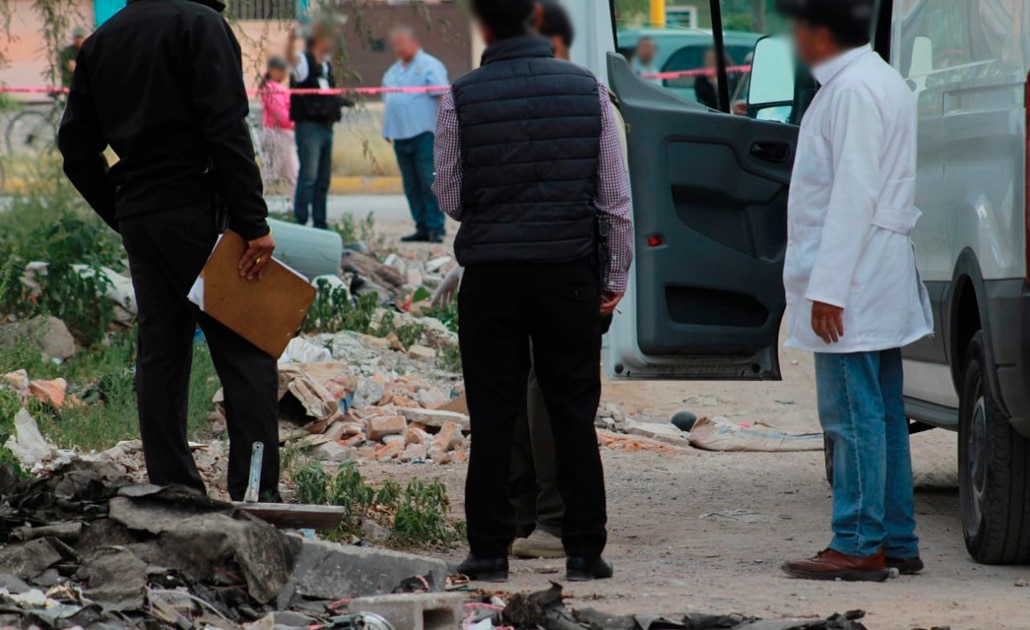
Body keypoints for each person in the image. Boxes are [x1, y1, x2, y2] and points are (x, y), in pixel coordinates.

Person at [434, 0, 633, 583]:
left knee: (493, 414)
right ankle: (584, 552)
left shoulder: (459, 97)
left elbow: (451, 197)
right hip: (568, 273)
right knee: (573, 412)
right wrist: (613, 279)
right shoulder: (589, 90)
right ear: (537, 19)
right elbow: (614, 200)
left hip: (491, 277)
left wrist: (498, 205)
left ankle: (489, 552)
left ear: (484, 26)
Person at [57, 0, 281, 501]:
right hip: (200, 211)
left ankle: (173, 488)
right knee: (247, 349)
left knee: (161, 352)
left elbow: (75, 148)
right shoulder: (200, 24)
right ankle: (255, 496)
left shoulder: (102, 40)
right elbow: (226, 127)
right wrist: (253, 223)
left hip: (142, 215)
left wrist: (121, 212)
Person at [774, 0, 933, 581]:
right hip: (873, 273)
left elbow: (852, 195)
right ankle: (896, 539)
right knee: (883, 414)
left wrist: (829, 289)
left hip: (855, 279)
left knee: (850, 416)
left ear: (821, 32)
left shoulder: (852, 90)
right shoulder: (874, 79)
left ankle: (859, 542)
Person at [382, 26, 449, 244]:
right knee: (411, 184)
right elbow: (390, 101)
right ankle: (421, 226)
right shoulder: (393, 71)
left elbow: (443, 96)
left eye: (402, 43)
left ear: (414, 43)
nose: (398, 48)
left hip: (424, 133)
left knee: (428, 180)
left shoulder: (429, 65)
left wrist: (445, 127)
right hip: (400, 135)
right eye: (395, 45)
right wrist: (387, 128)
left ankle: (436, 227)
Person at [289, 22, 343, 230]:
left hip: (326, 126)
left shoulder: (326, 66)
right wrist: (292, 40)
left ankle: (320, 222)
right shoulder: (304, 61)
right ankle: (301, 220)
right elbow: (291, 63)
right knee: (309, 177)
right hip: (309, 127)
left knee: (323, 179)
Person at [259, 56, 299, 194]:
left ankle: (298, 204)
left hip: (283, 132)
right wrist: (293, 122)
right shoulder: (271, 89)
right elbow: (279, 112)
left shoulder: (276, 88)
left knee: (288, 172)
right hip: (277, 133)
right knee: (272, 172)